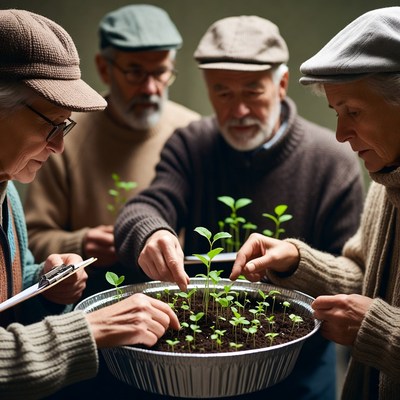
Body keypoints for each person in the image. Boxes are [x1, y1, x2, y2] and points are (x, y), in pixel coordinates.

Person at [114, 15, 365, 400]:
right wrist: (153, 232)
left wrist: (296, 266)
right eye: (223, 93)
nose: (240, 111)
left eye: (252, 91)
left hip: (299, 376)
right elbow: (146, 205)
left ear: (281, 85)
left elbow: (350, 277)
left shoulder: (333, 162)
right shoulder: (190, 145)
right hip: (201, 374)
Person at [0, 9, 179, 400]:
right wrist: (87, 329)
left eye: (66, 126)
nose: (59, 145)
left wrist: (41, 284)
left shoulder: (7, 188)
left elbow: (7, 299)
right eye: (51, 123)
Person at [229, 7, 400, 400]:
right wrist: (295, 261)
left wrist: (381, 331)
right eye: (336, 113)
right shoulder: (386, 176)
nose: (341, 133)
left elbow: (375, 314)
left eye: (353, 112)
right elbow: (363, 276)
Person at [24, 4, 200, 298]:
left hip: (176, 297)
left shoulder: (192, 133)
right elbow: (30, 242)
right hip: (90, 299)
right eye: (135, 72)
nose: (150, 88)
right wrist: (81, 243)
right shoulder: (62, 134)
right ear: (104, 68)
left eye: (161, 73)